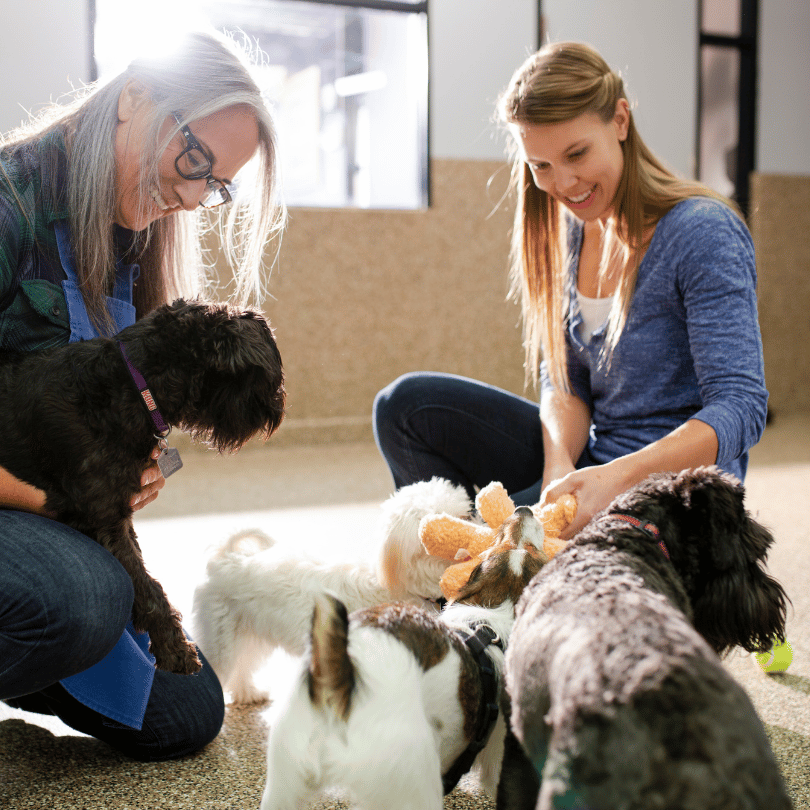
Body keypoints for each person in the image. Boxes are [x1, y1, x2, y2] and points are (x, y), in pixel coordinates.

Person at [0, 30, 284, 760]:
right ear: (134, 98)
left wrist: (127, 471)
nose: (192, 198)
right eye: (194, 161)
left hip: (51, 524)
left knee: (189, 713)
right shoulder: (10, 205)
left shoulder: (131, 235)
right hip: (23, 507)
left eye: (214, 185)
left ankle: (36, 632)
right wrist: (53, 504)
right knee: (86, 600)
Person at [374, 41, 767, 541]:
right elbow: (565, 381)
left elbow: (741, 405)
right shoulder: (575, 229)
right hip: (593, 466)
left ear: (620, 121)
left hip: (677, 491)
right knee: (404, 408)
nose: (562, 183)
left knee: (501, 546)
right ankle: (461, 587)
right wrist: (559, 467)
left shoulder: (702, 231)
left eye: (576, 153)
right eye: (540, 166)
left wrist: (616, 479)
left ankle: (487, 589)